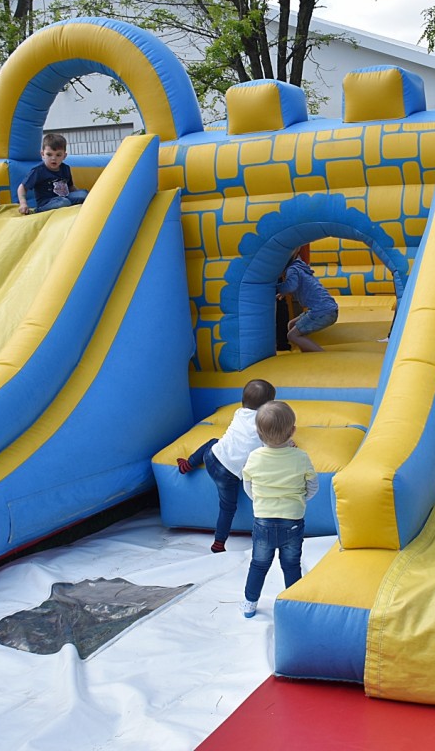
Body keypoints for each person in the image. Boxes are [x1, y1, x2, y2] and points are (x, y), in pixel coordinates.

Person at [176, 379, 276, 553]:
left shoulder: (239, 412)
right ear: (268, 406)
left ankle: (188, 464)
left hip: (212, 457)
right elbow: (274, 440)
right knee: (228, 508)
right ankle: (219, 542)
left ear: (243, 402)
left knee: (213, 441)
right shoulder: (265, 424)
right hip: (229, 474)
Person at [240, 401, 318, 619]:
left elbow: (248, 486)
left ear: (258, 433)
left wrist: (260, 501)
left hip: (263, 520)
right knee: (291, 564)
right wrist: (300, 501)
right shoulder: (301, 457)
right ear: (293, 431)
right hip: (292, 520)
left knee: (259, 564)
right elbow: (313, 486)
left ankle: (249, 603)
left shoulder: (254, 457)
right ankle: (295, 604)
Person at [276, 250, 339, 353]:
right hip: (326, 309)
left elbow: (291, 286)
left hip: (321, 311)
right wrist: (283, 292)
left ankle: (322, 356)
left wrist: (275, 288)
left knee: (292, 336)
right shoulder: (299, 267)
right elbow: (298, 285)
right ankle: (307, 354)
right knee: (291, 324)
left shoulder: (292, 269)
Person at [16, 133, 89, 214]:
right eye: (49, 154)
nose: (53, 158)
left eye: (58, 155)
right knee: (63, 202)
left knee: (84, 194)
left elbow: (71, 187)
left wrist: (81, 195)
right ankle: (38, 211)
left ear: (64, 156)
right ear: (43, 154)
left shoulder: (65, 168)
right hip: (48, 202)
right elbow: (22, 187)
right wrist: (23, 203)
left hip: (65, 197)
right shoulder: (38, 171)